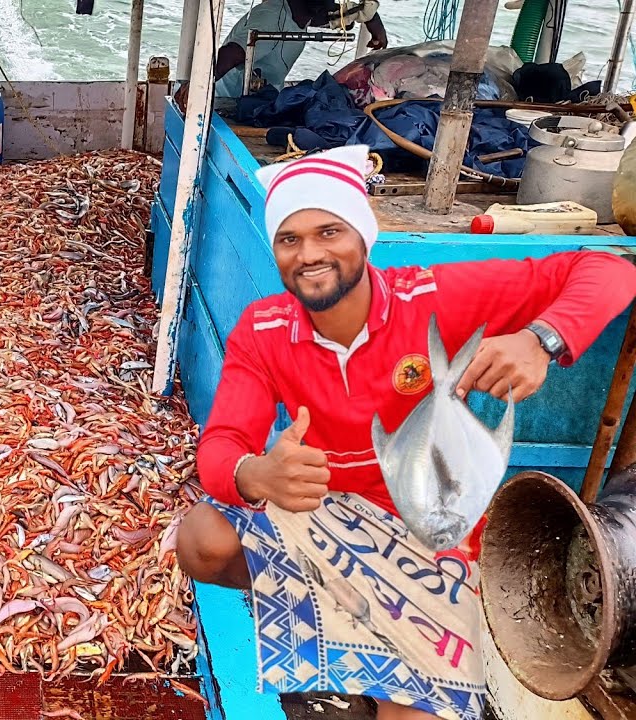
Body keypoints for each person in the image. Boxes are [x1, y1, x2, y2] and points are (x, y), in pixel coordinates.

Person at [175, 144, 636, 719]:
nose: (309, 254)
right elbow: (219, 447)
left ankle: (402, 638)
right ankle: (327, 610)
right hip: (325, 525)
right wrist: (255, 473)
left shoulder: (431, 297)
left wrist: (542, 339)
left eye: (329, 232)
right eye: (289, 240)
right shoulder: (264, 330)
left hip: (429, 527)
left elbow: (609, 269)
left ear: (364, 237)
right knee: (202, 536)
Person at [174, 0, 389, 109]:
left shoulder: (302, 15)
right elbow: (232, 53)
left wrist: (373, 21)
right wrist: (197, 84)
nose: (331, 6)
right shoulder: (271, 17)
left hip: (261, 99)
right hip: (226, 103)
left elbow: (342, 14)